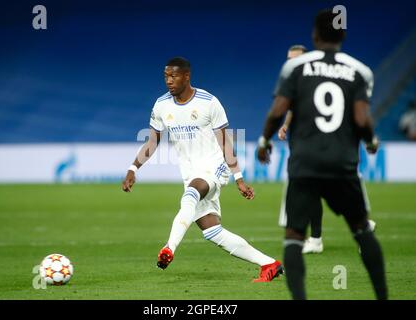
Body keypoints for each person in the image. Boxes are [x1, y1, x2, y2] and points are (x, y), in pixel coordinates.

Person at [257, 10, 387, 299]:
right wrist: (372, 141)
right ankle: (382, 295)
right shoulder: (359, 71)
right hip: (342, 163)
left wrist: (264, 141)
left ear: (315, 36)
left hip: (304, 162)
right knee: (362, 230)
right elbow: (363, 120)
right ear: (342, 35)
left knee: (292, 238)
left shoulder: (296, 68)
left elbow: (278, 111)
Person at [122, 57, 283, 282]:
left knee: (190, 195)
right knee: (212, 231)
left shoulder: (209, 102)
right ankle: (269, 264)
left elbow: (226, 143)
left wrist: (239, 178)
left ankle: (170, 248)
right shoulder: (161, 105)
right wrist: (133, 168)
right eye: (166, 76)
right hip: (190, 172)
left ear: (187, 76)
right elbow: (152, 142)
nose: (169, 81)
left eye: (174, 76)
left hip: (214, 167)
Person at [277, 45, 377, 254]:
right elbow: (293, 108)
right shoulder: (298, 79)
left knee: (342, 195)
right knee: (312, 194)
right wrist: (286, 125)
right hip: (311, 149)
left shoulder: (316, 80)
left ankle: (362, 228)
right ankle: (316, 239)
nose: (289, 62)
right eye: (288, 58)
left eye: (294, 58)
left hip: (331, 148)